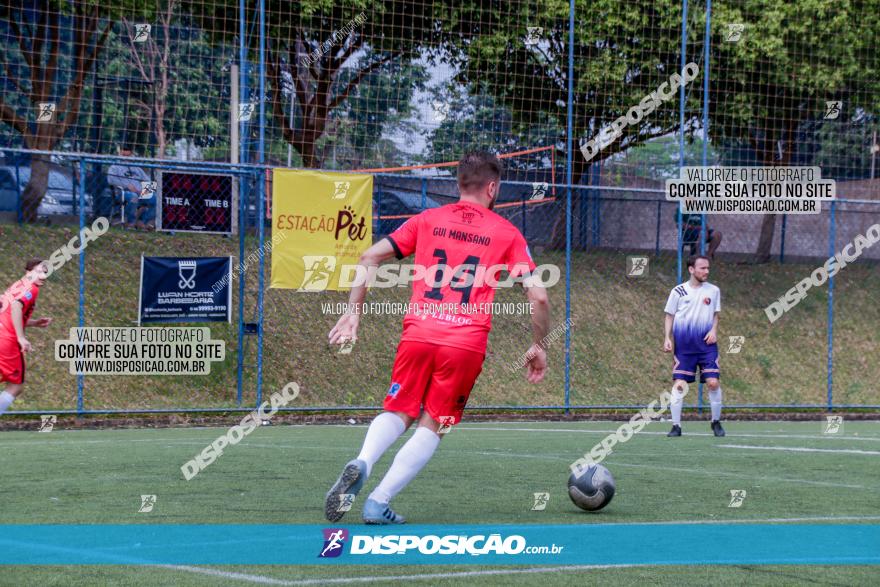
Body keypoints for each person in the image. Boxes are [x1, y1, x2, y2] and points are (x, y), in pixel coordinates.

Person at [324, 151, 551, 524]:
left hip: (418, 333)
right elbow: (538, 294)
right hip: (464, 343)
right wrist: (538, 345)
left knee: (399, 409)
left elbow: (368, 258)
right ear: (492, 188)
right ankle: (378, 502)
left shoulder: (427, 219)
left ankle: (362, 461)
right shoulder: (506, 232)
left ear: (459, 183)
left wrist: (353, 312)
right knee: (436, 422)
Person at [663, 255, 725, 437]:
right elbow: (669, 315)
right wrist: (667, 337)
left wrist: (714, 330)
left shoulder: (713, 291)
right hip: (684, 347)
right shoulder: (678, 291)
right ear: (691, 269)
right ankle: (676, 426)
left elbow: (715, 314)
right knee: (680, 386)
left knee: (713, 383)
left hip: (707, 347)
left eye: (708, 268)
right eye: (702, 268)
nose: (706, 271)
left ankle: (716, 422)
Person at [0, 260, 52, 417]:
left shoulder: (18, 284)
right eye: (39, 272)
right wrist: (21, 337)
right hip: (7, 341)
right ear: (28, 272)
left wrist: (35, 323)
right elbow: (16, 306)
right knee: (16, 386)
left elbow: (9, 313)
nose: (43, 276)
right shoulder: (31, 288)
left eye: (45, 272)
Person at [107, 147, 154, 230]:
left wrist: (144, 191)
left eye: (128, 155)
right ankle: (130, 223)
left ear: (131, 155)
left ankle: (142, 221)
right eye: (123, 155)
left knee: (157, 199)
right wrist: (126, 186)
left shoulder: (137, 168)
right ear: (119, 154)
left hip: (140, 192)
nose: (126, 158)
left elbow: (148, 181)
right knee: (133, 196)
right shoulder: (114, 167)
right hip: (123, 192)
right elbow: (111, 180)